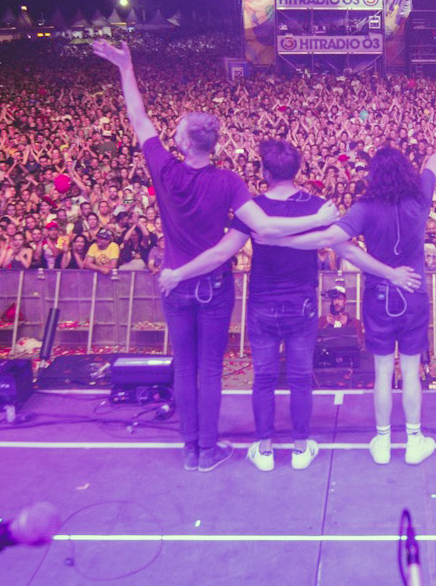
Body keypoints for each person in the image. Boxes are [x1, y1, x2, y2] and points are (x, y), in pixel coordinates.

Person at [91, 40, 335, 472]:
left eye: (178, 129)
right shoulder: (229, 183)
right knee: (209, 369)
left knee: (184, 368)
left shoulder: (164, 169)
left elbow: (138, 117)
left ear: (183, 141)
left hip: (175, 284)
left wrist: (126, 67)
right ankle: (209, 448)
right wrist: (317, 222)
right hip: (214, 287)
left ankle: (191, 448)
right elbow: (262, 229)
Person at [160, 139, 417, 472]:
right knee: (299, 378)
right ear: (298, 169)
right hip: (303, 304)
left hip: (262, 303)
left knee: (264, 378)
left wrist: (179, 274)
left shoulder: (251, 207)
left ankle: (264, 449)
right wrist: (389, 273)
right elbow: (348, 251)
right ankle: (300, 448)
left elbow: (224, 253)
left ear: (265, 171)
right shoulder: (317, 207)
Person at [261, 90, 436, 466]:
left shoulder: (364, 208)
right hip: (414, 293)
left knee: (383, 371)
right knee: (410, 370)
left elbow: (328, 240)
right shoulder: (421, 196)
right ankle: (415, 441)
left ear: (374, 175)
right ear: (406, 171)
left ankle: (384, 443)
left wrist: (279, 236)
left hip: (377, 296)